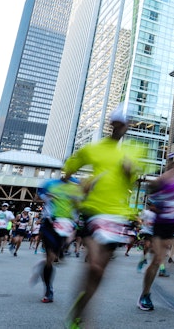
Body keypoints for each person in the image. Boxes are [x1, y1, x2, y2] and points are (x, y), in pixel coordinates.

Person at [63, 104, 143, 328]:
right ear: (111, 124)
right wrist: (79, 185)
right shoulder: (94, 149)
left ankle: (80, 309)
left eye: (123, 123)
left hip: (117, 218)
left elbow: (132, 180)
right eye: (115, 123)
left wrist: (129, 171)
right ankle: (81, 312)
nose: (119, 127)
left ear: (127, 126)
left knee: (99, 273)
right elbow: (68, 169)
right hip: (92, 212)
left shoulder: (133, 151)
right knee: (95, 267)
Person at [138, 146, 174, 311]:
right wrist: (164, 208)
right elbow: (152, 202)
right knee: (157, 260)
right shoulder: (162, 180)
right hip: (161, 225)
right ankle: (145, 295)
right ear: (172, 162)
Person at [37, 178, 84, 303]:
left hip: (67, 223)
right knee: (50, 258)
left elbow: (82, 207)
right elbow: (37, 198)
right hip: (50, 223)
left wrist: (76, 202)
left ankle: (60, 252)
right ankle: (48, 289)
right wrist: (49, 196)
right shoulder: (50, 183)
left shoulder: (77, 185)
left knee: (55, 257)